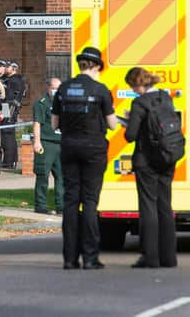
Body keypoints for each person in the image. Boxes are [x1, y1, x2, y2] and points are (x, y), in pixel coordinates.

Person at [51, 46, 117, 270]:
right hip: (93, 149)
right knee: (89, 201)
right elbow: (112, 124)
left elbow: (54, 123)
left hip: (69, 147)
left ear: (80, 65)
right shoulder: (100, 90)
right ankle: (90, 257)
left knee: (71, 201)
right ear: (97, 66)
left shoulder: (63, 89)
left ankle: (69, 259)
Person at [124, 67, 177, 269]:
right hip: (167, 156)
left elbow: (131, 135)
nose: (133, 91)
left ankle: (151, 257)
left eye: (132, 87)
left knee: (148, 206)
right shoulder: (165, 97)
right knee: (165, 205)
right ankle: (169, 257)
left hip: (146, 160)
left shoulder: (140, 103)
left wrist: (129, 120)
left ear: (138, 84)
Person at [32, 77, 64, 215]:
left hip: (62, 143)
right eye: (54, 88)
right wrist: (37, 141)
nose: (57, 91)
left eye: (59, 88)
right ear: (48, 88)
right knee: (42, 175)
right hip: (46, 142)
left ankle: (61, 206)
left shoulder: (64, 103)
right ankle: (41, 205)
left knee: (62, 177)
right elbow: (37, 123)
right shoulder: (41, 103)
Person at [1, 60, 25, 169]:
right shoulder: (9, 79)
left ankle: (8, 161)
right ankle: (12, 160)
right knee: (8, 133)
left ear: (14, 68)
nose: (5, 68)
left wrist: (6, 110)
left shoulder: (15, 80)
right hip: (8, 106)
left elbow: (10, 97)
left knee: (7, 133)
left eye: (8, 66)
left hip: (9, 107)